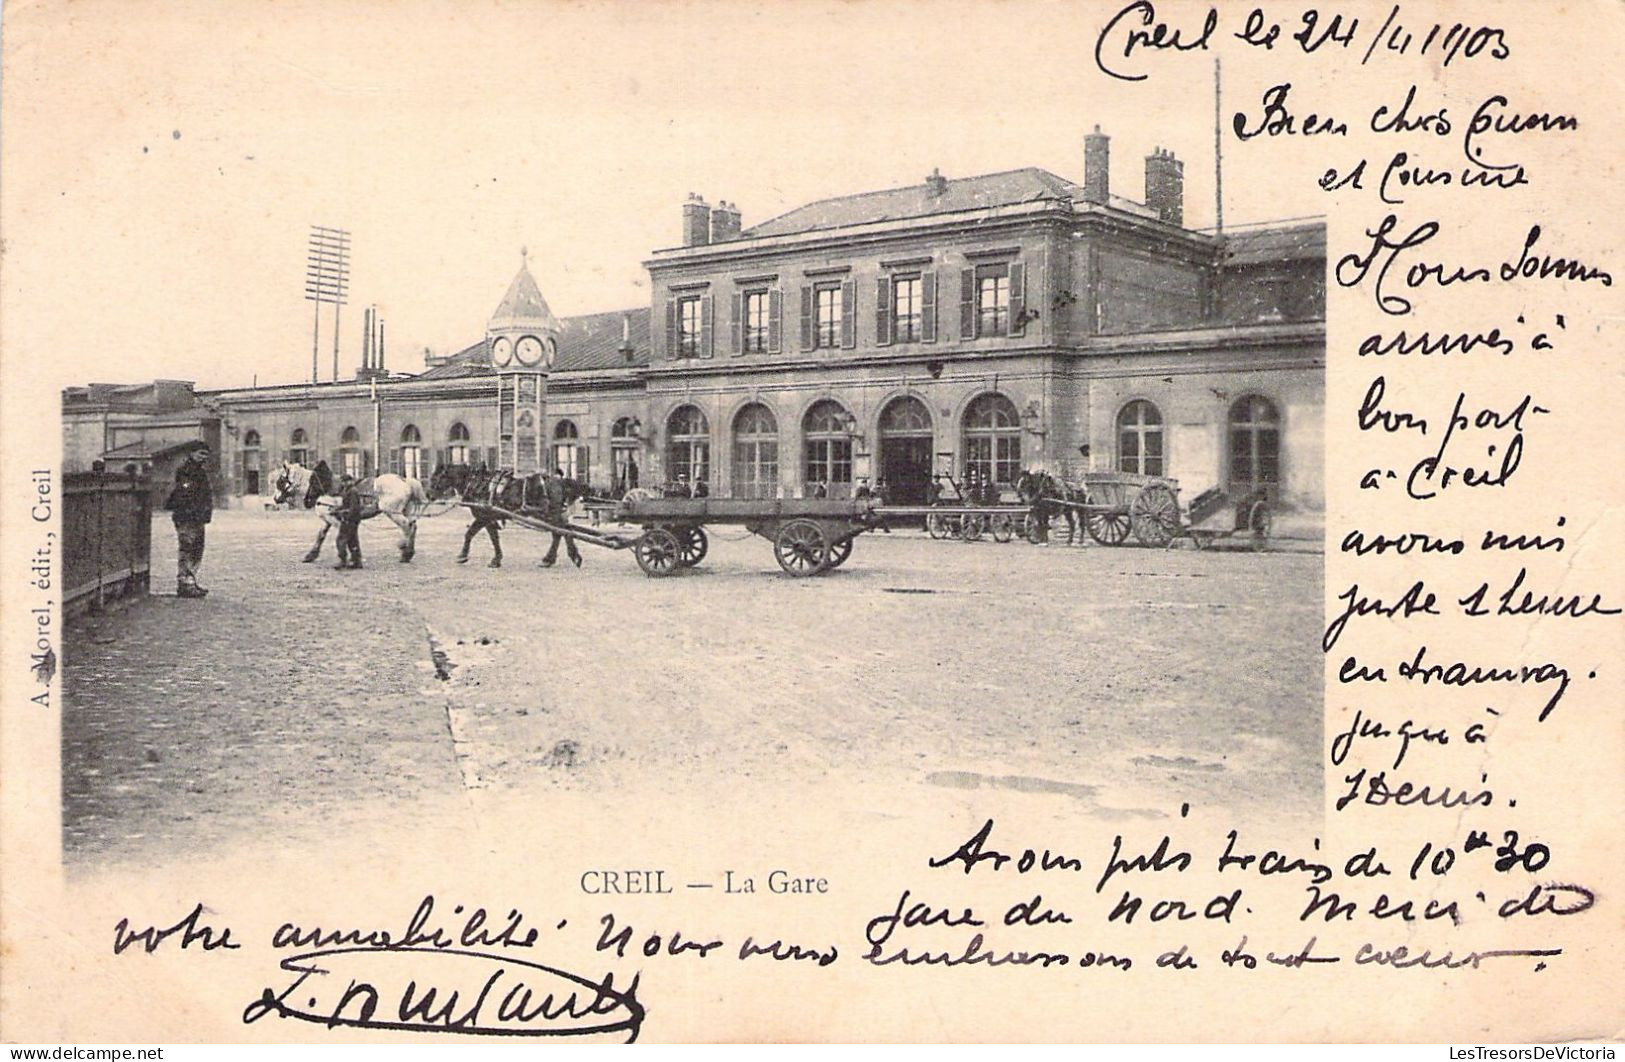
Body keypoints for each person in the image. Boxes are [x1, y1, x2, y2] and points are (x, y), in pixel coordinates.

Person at [164, 445, 214, 597]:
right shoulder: (186, 471)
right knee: (187, 548)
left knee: (197, 549)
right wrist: (191, 513)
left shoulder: (200, 471)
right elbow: (185, 495)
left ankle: (190, 580)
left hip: (197, 517)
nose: (203, 457)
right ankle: (185, 583)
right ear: (192, 453)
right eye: (200, 453)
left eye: (206, 455)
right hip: (186, 517)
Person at [540, 467, 582, 568]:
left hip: (557, 511)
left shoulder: (554, 483)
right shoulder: (559, 483)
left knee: (560, 532)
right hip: (560, 511)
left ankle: (571, 555)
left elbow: (556, 500)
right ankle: (570, 555)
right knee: (559, 533)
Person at [334, 473, 365, 569]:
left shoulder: (352, 491)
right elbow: (346, 505)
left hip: (350, 519)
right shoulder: (348, 490)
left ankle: (343, 561)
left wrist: (344, 514)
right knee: (352, 540)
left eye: (344, 482)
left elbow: (354, 507)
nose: (343, 483)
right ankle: (357, 561)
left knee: (341, 539)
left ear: (349, 481)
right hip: (351, 519)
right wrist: (336, 510)